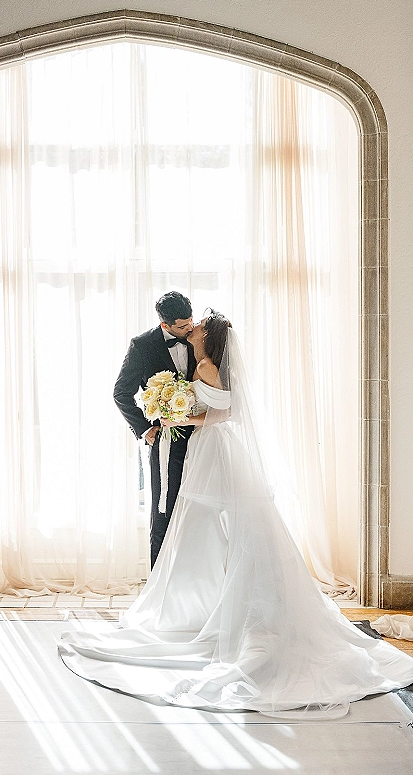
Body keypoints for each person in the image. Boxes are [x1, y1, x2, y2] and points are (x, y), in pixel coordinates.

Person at [60, 311, 413, 719]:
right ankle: (208, 602)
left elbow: (224, 413)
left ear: (206, 336)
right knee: (208, 527)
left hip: (213, 449)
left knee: (208, 523)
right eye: (186, 323)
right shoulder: (198, 362)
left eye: (197, 325)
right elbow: (217, 408)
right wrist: (168, 415)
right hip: (211, 448)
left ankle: (216, 606)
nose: (191, 328)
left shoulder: (207, 365)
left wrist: (178, 415)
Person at [113, 291, 197, 567]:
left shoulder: (199, 338)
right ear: (165, 325)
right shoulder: (142, 346)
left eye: (190, 322)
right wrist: (144, 429)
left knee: (199, 513)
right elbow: (121, 392)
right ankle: (159, 588)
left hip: (203, 438)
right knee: (164, 510)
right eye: (182, 326)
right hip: (166, 442)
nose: (189, 329)